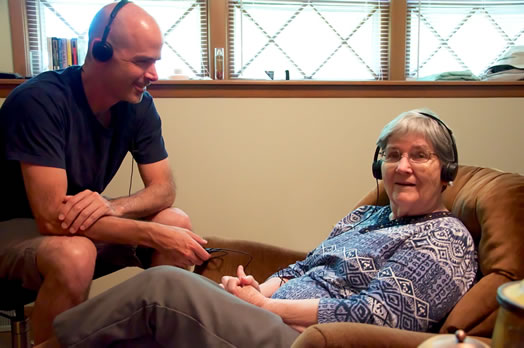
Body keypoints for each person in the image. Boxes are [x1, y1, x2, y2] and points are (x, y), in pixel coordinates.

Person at [35, 109, 478, 348]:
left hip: (306, 340)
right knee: (145, 332)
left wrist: (265, 309)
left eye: (420, 156)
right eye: (392, 154)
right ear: (378, 164)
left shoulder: (445, 239)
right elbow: (307, 267)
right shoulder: (367, 217)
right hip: (273, 316)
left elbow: (378, 316)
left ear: (446, 171)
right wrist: (258, 289)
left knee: (163, 287)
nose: (402, 167)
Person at [0, 1, 210, 344]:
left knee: (176, 222)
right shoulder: (38, 101)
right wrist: (153, 236)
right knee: (75, 255)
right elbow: (52, 219)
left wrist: (114, 206)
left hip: (75, 222)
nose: (153, 74)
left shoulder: (138, 105)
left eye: (155, 61)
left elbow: (163, 189)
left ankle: (160, 337)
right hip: (15, 226)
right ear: (100, 51)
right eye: (142, 62)